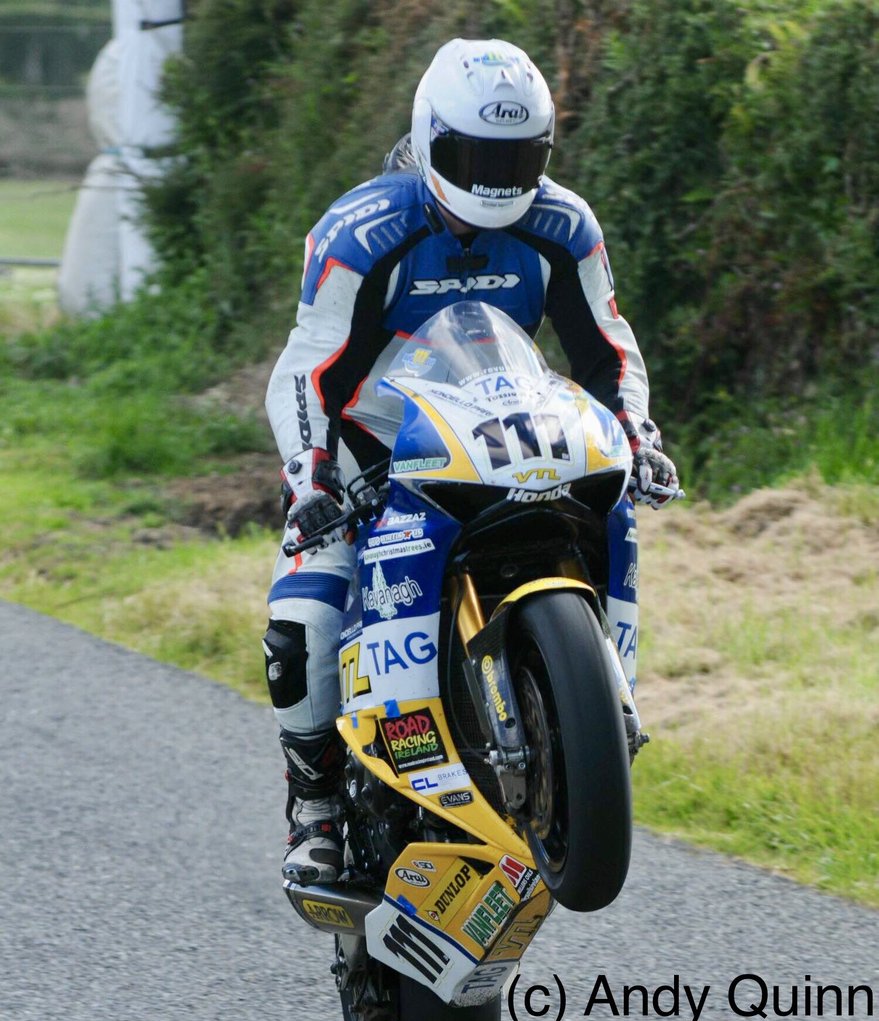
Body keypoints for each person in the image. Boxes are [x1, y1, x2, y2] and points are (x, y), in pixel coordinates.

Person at [263, 37, 678, 885]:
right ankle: (312, 807)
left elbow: (607, 349)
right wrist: (309, 479)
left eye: (516, 157)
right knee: (300, 625)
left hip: (499, 427)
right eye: (475, 155)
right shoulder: (360, 229)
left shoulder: (564, 224)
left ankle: (596, 712)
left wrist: (639, 436)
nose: (495, 177)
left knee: (612, 505)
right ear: (428, 136)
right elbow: (309, 366)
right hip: (366, 443)